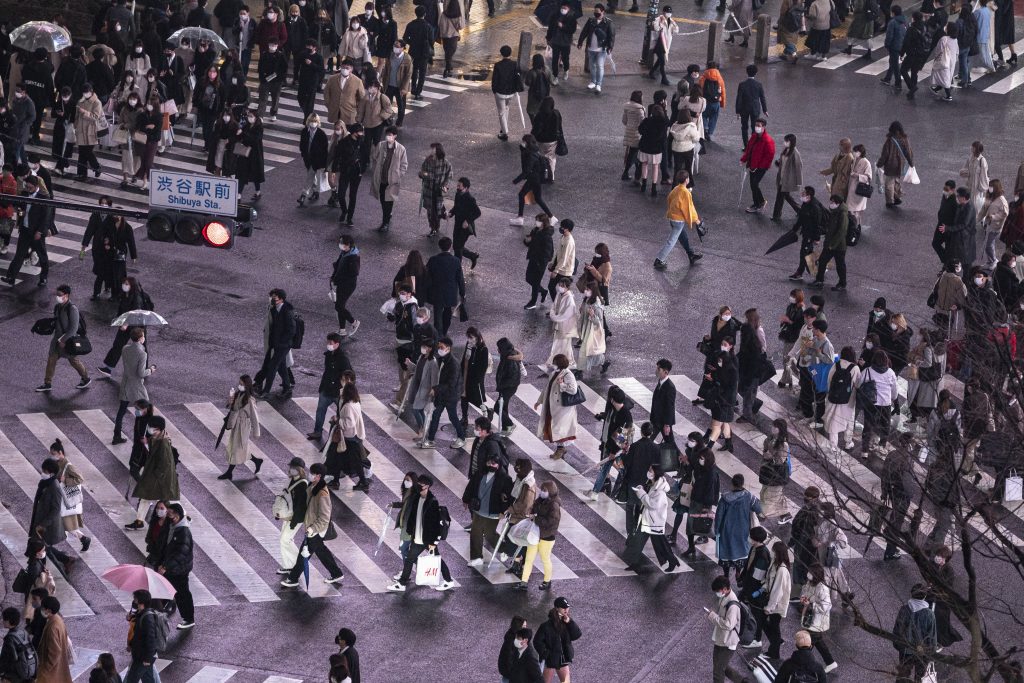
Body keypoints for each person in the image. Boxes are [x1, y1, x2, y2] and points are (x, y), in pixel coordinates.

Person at [280, 463, 345, 589]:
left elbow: (325, 517)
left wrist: (312, 528)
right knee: (321, 551)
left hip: (315, 530)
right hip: (312, 527)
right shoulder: (313, 486)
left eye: (312, 473)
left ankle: (293, 578)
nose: (310, 475)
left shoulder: (322, 494)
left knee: (303, 554)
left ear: (318, 476)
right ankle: (336, 573)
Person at [387, 474, 455, 592]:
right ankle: (402, 583)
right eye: (418, 484)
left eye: (421, 485)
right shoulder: (416, 498)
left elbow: (435, 525)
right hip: (417, 537)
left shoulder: (432, 502)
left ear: (427, 486)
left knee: (436, 559)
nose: (418, 486)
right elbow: (413, 516)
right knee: (410, 559)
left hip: (427, 540)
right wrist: (409, 531)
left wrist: (434, 542)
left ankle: (448, 581)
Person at [125, 416, 179, 530]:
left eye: (153, 428)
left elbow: (164, 464)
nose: (150, 430)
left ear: (158, 429)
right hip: (157, 477)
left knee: (160, 499)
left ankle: (178, 517)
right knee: (147, 498)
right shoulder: (160, 437)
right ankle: (139, 521)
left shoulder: (163, 443)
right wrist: (147, 442)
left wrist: (155, 477)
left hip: (159, 478)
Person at [461, 453, 512, 567]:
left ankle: (505, 549)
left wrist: (504, 512)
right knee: (475, 533)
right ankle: (476, 557)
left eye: (493, 463)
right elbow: (470, 487)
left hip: (493, 512)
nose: (490, 465)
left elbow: (508, 498)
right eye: (489, 463)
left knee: (490, 534)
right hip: (478, 510)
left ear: (498, 465)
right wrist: (466, 499)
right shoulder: (479, 474)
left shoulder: (505, 479)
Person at [2, 176, 52, 288]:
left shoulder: (43, 198)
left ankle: (43, 278)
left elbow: (46, 218)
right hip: (25, 230)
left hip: (36, 232)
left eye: (30, 187)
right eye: (27, 187)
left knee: (42, 255)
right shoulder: (25, 195)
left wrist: (39, 232)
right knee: (19, 255)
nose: (28, 189)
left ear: (36, 186)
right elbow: (17, 206)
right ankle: (11, 277)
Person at [420, 337, 467, 449]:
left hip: (451, 395)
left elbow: (451, 383)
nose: (439, 349)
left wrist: (435, 389)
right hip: (441, 394)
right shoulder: (441, 359)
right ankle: (430, 440)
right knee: (435, 415)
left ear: (448, 348)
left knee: (453, 417)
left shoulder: (454, 364)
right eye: (438, 347)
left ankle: (462, 438)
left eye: (441, 347)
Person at [715, 473, 762, 581]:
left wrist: (717, 530)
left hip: (726, 531)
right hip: (743, 530)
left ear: (732, 483)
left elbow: (719, 516)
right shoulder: (749, 497)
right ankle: (738, 572)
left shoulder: (724, 498)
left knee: (726, 553)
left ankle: (726, 575)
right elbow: (758, 508)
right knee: (741, 553)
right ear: (742, 483)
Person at [112, 328, 154, 445]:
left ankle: (116, 436)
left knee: (122, 410)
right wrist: (150, 370)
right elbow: (141, 373)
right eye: (143, 336)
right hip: (137, 387)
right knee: (146, 410)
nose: (144, 337)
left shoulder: (125, 349)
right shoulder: (142, 354)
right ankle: (142, 437)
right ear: (140, 339)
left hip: (126, 384)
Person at [219, 375, 263, 480]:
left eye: (242, 384)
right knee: (239, 448)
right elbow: (232, 407)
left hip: (243, 426)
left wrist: (256, 432)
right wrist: (230, 400)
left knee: (236, 449)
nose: (240, 386)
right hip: (236, 424)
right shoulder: (239, 394)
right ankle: (257, 461)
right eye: (239, 384)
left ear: (246, 385)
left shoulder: (250, 400)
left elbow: (254, 417)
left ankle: (229, 472)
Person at [159, 503, 195, 629]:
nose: (170, 516)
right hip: (173, 568)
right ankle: (168, 608)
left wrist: (166, 567)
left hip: (180, 569)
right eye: (169, 514)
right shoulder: (172, 527)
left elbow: (181, 553)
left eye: (172, 514)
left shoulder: (183, 531)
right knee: (170, 590)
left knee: (182, 593)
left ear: (178, 514)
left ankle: (188, 618)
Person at [535, 354, 578, 460]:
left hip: (562, 408)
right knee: (554, 428)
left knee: (559, 429)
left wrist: (562, 385)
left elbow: (573, 390)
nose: (552, 365)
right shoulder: (554, 373)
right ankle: (560, 449)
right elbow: (547, 388)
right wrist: (539, 401)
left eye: (554, 363)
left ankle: (560, 449)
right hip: (553, 405)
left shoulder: (568, 374)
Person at [256, 289, 297, 398]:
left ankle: (266, 390)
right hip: (275, 344)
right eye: (272, 297)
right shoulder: (274, 309)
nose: (272, 299)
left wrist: (281, 342)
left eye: (275, 298)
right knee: (282, 366)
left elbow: (292, 330)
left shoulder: (287, 312)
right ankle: (287, 388)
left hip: (283, 345)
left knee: (272, 366)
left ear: (281, 299)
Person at [893, 584, 938, 682]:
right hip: (922, 653)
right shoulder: (929, 614)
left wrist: (899, 646)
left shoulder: (904, 610)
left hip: (905, 650)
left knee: (903, 676)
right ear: (925, 596)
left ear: (911, 595)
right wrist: (932, 653)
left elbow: (897, 630)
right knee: (920, 678)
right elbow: (932, 637)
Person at [370, 126, 408, 232]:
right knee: (383, 200)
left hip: (392, 181)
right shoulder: (381, 145)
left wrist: (398, 175)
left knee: (389, 202)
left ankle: (385, 222)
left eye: (390, 135)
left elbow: (404, 165)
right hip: (382, 178)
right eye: (387, 135)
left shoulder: (401, 149)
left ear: (395, 136)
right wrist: (376, 168)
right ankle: (387, 216)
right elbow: (374, 156)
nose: (388, 137)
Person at [534, 597, 582, 682]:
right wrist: (546, 654)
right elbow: (537, 641)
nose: (566, 610)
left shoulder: (567, 622)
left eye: (567, 607)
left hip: (563, 659)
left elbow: (576, 635)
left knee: (566, 681)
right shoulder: (546, 626)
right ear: (557, 608)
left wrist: (570, 622)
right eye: (563, 607)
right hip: (550, 661)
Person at [707, 575, 744, 683]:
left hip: (728, 641)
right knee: (721, 666)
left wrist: (713, 616)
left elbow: (729, 625)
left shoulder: (733, 605)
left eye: (718, 591)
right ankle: (742, 681)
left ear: (724, 589)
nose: (717, 593)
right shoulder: (725, 596)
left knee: (718, 671)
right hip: (721, 638)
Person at [800, 563, 836, 672]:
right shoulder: (809, 583)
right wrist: (803, 598)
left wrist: (811, 605)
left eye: (810, 572)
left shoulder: (822, 588)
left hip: (817, 620)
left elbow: (826, 606)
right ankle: (830, 662)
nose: (808, 574)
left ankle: (804, 666)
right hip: (810, 618)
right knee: (819, 643)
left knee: (807, 645)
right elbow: (804, 592)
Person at [122, 590, 163, 683]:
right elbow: (138, 635)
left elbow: (150, 639)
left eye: (135, 600)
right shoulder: (141, 614)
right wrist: (131, 644)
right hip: (142, 655)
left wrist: (147, 658)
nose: (134, 602)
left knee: (131, 679)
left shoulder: (147, 618)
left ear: (141, 602)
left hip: (142, 657)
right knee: (148, 679)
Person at [811, 194, 849, 291]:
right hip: (829, 244)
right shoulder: (835, 212)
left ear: (838, 203)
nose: (831, 204)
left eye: (832, 202)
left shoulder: (843, 214)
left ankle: (842, 283)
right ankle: (819, 280)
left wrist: (832, 245)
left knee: (840, 265)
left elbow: (842, 231)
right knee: (822, 261)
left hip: (839, 246)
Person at [736, 308, 766, 421]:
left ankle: (747, 416)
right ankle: (755, 403)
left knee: (747, 394)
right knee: (743, 391)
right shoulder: (749, 336)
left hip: (752, 373)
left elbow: (754, 361)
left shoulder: (753, 347)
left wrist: (748, 377)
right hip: (746, 372)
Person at [740, 118, 775, 213]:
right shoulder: (754, 136)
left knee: (754, 184)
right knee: (753, 185)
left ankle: (757, 204)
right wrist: (744, 159)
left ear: (764, 127)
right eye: (756, 125)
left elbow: (769, 156)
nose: (756, 127)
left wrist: (759, 167)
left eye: (759, 126)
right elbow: (749, 149)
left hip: (760, 167)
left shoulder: (767, 141)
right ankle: (760, 201)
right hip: (752, 165)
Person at [577, 5, 614, 93]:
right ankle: (593, 81)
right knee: (592, 66)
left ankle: (598, 84)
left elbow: (611, 36)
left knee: (600, 66)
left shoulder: (608, 23)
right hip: (591, 48)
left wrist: (610, 47)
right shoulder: (591, 21)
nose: (596, 13)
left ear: (603, 12)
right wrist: (580, 42)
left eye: (598, 12)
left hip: (601, 49)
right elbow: (584, 32)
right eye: (595, 12)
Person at [544, 278, 578, 374]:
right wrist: (553, 314)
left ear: (567, 287)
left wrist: (554, 317)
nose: (560, 287)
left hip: (565, 326)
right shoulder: (559, 294)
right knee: (562, 344)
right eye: (560, 285)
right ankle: (564, 361)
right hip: (559, 324)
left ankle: (561, 362)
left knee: (563, 344)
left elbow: (566, 315)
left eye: (562, 286)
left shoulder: (569, 299)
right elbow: (554, 307)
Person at [759, 419, 790, 520]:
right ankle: (785, 512)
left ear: (780, 429)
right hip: (768, 471)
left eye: (775, 427)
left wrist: (770, 457)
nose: (772, 428)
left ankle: (763, 514)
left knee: (769, 495)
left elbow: (780, 460)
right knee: (767, 493)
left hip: (776, 474)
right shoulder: (770, 438)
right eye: (772, 426)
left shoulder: (784, 444)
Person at [36, 597, 71, 683]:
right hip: (59, 668)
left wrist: (45, 670)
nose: (41, 609)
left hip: (51, 673)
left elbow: (55, 652)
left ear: (48, 610)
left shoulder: (53, 626)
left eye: (43, 608)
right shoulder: (58, 620)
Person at [524, 214, 556, 308]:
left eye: (538, 220)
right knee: (528, 278)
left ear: (543, 222)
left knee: (535, 282)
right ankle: (543, 291)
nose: (536, 222)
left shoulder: (546, 236)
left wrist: (541, 263)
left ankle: (533, 302)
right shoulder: (535, 230)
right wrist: (527, 241)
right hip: (533, 258)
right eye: (536, 220)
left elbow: (548, 252)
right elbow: (532, 244)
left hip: (540, 263)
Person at [297, 113, 329, 206]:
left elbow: (324, 150)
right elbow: (302, 145)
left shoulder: (321, 134)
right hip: (307, 158)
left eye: (315, 121)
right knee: (312, 175)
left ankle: (303, 195)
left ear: (318, 122)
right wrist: (303, 154)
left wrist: (324, 164)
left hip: (317, 160)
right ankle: (315, 192)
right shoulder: (304, 131)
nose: (313, 123)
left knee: (310, 176)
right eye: (311, 121)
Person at [0, 606, 36, 683]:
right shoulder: (23, 632)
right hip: (26, 669)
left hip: (14, 674)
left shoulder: (10, 638)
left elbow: (6, 658)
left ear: (8, 621)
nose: (2, 621)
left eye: (4, 619)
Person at [979, 178, 1009, 269]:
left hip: (995, 227)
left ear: (996, 188)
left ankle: (993, 260)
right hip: (988, 224)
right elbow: (984, 210)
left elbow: (1005, 213)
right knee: (989, 244)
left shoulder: (1001, 200)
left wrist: (994, 217)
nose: (989, 188)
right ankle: (990, 261)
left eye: (991, 187)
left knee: (988, 245)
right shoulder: (991, 196)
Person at [900, 12, 929, 99]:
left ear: (913, 18)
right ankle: (911, 92)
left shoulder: (911, 29)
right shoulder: (924, 27)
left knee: (903, 70)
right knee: (914, 72)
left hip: (912, 53)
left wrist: (901, 53)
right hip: (921, 53)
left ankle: (912, 87)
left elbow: (906, 43)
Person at [648, 5, 679, 85]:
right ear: (663, 12)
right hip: (659, 44)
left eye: (670, 12)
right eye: (667, 12)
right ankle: (664, 79)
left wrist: (674, 26)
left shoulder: (671, 20)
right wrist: (661, 24)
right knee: (662, 62)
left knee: (660, 60)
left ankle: (651, 72)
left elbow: (677, 31)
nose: (669, 14)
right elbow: (656, 28)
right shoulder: (658, 19)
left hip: (666, 44)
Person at [296, 41, 326, 121]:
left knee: (310, 102)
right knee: (300, 98)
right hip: (302, 80)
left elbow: (321, 69)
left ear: (314, 47)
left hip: (313, 82)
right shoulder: (303, 54)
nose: (308, 48)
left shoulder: (319, 57)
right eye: (307, 46)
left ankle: (307, 119)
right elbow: (297, 64)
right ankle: (307, 114)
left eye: (310, 46)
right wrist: (296, 77)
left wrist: (311, 64)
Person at [930, 22, 959, 101]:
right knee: (946, 76)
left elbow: (939, 50)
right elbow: (957, 51)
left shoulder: (944, 39)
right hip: (952, 61)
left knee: (944, 77)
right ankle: (937, 88)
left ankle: (948, 95)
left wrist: (936, 58)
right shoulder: (955, 39)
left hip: (944, 60)